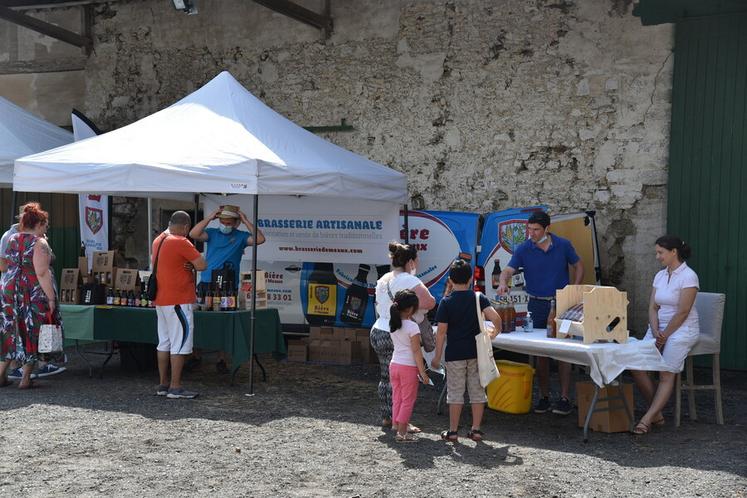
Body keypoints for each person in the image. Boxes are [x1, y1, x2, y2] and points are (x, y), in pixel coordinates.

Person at [497, 211, 583, 415]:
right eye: (529, 229)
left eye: (536, 229)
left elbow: (578, 265)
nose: (532, 233)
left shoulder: (563, 245)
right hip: (536, 305)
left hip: (562, 304)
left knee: (564, 351)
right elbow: (508, 270)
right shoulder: (524, 248)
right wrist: (503, 282)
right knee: (539, 353)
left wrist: (575, 288)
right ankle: (544, 397)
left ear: (547, 228)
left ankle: (564, 398)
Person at [630, 235, 699, 435]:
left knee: (666, 373)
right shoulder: (660, 276)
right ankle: (657, 412)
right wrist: (655, 330)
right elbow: (652, 307)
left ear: (673, 252)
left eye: (660, 252)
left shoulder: (689, 276)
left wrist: (665, 335)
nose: (657, 257)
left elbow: (683, 312)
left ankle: (647, 418)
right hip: (659, 328)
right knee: (635, 363)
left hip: (682, 329)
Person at [188, 204, 265, 373]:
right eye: (223, 221)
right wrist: (210, 218)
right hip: (207, 282)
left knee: (225, 322)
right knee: (200, 319)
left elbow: (260, 239)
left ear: (236, 223)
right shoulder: (213, 233)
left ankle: (221, 359)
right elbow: (193, 233)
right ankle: (196, 355)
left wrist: (246, 220)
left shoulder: (241, 236)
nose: (226, 225)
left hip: (227, 285)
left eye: (229, 222)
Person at [431, 259, 501, 442]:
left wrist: (437, 356)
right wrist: (495, 332)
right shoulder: (479, 298)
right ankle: (476, 430)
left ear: (450, 281)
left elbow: (441, 333)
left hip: (455, 354)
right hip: (476, 353)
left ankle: (453, 431)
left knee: (455, 392)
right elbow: (496, 317)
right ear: (471, 279)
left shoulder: (446, 302)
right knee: (477, 391)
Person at [370, 242, 436, 430]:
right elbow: (430, 302)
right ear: (410, 262)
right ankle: (400, 422)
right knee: (402, 383)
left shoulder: (384, 278)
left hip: (378, 330)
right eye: (416, 260)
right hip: (397, 333)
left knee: (386, 377)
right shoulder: (409, 280)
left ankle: (387, 417)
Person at [0, 207, 65, 380]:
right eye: (45, 225)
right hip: (29, 291)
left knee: (10, 330)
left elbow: (5, 265)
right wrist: (51, 298)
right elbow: (42, 273)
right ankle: (25, 379)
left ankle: (1, 376)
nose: (46, 229)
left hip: (9, 290)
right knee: (32, 330)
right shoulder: (39, 243)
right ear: (38, 224)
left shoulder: (12, 238)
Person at [153, 211, 207, 399]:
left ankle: (163, 384)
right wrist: (191, 266)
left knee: (164, 342)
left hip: (161, 299)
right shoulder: (181, 241)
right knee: (180, 343)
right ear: (185, 227)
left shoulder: (159, 239)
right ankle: (176, 387)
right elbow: (202, 265)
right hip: (178, 299)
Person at [388, 289, 430, 443]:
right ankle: (401, 433)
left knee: (397, 397)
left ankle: (396, 425)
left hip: (394, 365)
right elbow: (417, 352)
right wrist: (423, 373)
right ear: (411, 309)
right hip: (408, 367)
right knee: (408, 400)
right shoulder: (412, 327)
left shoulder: (393, 323)